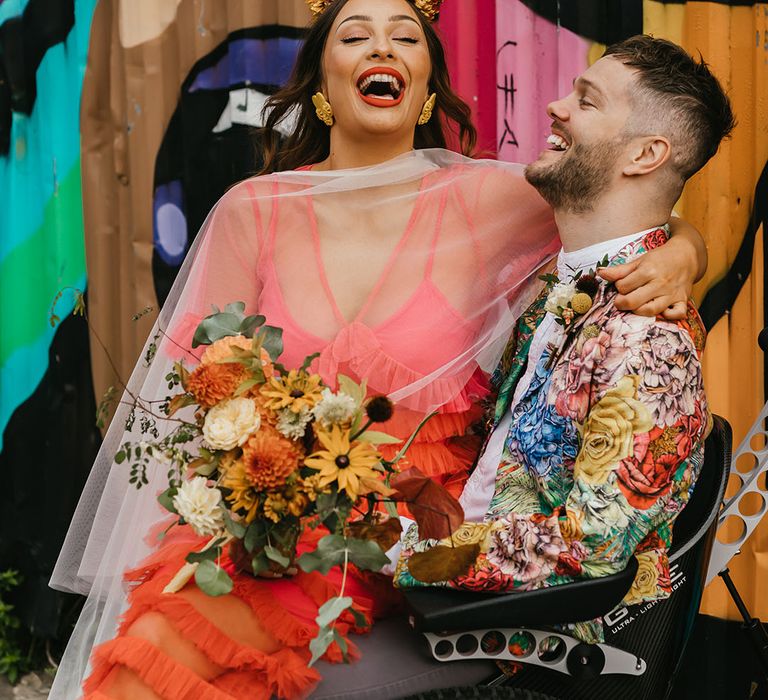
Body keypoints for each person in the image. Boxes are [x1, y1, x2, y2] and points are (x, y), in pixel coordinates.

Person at [48, 2, 708, 698]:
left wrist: (682, 253)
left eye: (405, 38)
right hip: (271, 518)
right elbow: (198, 405)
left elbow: (630, 197)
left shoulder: (491, 198)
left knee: (175, 658)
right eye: (355, 35)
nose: (380, 48)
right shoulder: (253, 210)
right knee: (150, 646)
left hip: (405, 532)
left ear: (426, 87)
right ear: (321, 85)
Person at [396, 35, 734, 644]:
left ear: (646, 154)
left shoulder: (648, 341)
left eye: (587, 100)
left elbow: (589, 546)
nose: (555, 107)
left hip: (509, 639)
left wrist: (398, 555)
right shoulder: (565, 278)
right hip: (450, 586)